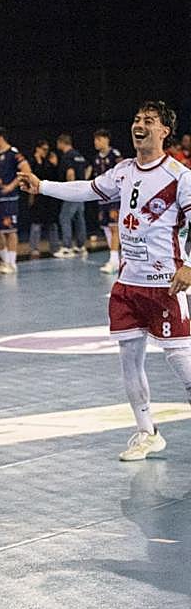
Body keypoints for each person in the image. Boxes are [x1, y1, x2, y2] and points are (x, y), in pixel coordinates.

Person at [22, 101, 191, 462]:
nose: (139, 125)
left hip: (165, 285)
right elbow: (86, 190)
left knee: (183, 364)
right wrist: (42, 185)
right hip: (127, 285)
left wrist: (189, 265)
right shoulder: (123, 171)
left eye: (148, 121)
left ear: (164, 131)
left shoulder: (179, 176)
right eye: (136, 119)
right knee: (129, 360)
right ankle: (147, 432)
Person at [0, 127, 31, 275]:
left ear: (0, 137)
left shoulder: (13, 153)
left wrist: (11, 186)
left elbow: (26, 170)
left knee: (10, 230)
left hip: (8, 198)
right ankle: (4, 260)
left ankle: (12, 263)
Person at [92, 128, 124, 274]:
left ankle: (115, 260)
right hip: (102, 198)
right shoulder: (96, 158)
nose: (96, 142)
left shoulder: (115, 155)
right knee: (105, 226)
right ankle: (115, 258)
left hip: (114, 198)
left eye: (99, 139)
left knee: (114, 227)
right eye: (95, 140)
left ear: (106, 139)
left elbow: (122, 174)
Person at [54, 133, 88, 258]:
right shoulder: (79, 155)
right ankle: (80, 246)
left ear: (62, 143)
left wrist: (70, 189)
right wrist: (84, 182)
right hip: (83, 191)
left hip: (73, 192)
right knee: (79, 218)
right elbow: (87, 168)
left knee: (64, 217)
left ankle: (67, 247)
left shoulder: (67, 156)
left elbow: (70, 173)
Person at [27, 138, 61, 257]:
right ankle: (34, 248)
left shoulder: (49, 162)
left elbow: (53, 176)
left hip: (49, 196)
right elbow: (33, 176)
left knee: (52, 224)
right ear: (38, 149)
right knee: (36, 223)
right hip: (37, 196)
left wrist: (55, 165)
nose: (45, 152)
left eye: (47, 150)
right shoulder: (31, 161)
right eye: (43, 149)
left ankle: (55, 248)